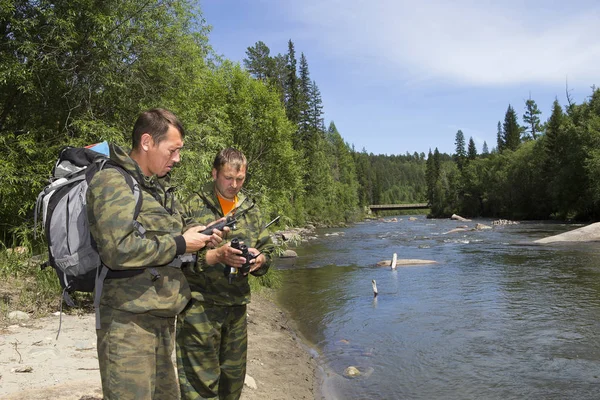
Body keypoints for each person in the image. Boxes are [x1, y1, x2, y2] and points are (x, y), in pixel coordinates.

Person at [87, 108, 224, 400]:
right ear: (147, 141)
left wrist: (199, 235)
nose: (178, 158)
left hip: (161, 320)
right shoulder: (112, 181)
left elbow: (167, 242)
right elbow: (117, 250)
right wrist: (180, 243)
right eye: (173, 150)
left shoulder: (154, 189)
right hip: (127, 326)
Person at [177, 147, 275, 400]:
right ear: (214, 174)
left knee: (232, 380)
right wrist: (214, 256)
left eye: (240, 179)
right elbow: (173, 253)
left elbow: (269, 250)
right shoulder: (190, 205)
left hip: (236, 308)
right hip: (198, 306)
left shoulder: (250, 209)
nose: (234, 185)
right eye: (228, 178)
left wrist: (260, 259)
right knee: (198, 384)